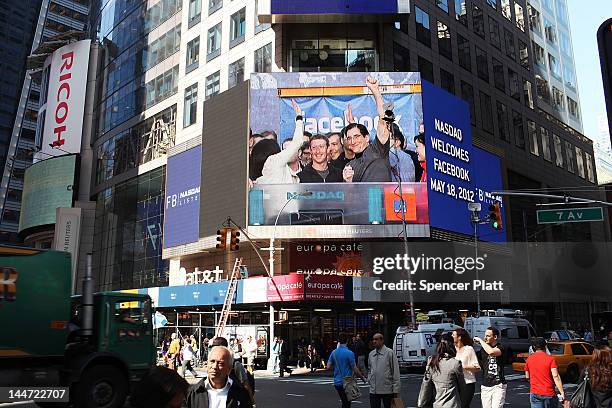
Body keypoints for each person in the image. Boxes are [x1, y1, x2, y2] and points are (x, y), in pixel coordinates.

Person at [342, 76, 392, 183]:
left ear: (367, 137)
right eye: (349, 138)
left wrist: (376, 92)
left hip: (382, 199)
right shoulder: (349, 166)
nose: (353, 141)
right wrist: (348, 182)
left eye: (356, 137)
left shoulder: (378, 150)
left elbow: (384, 120)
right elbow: (350, 197)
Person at [257, 100, 310, 184]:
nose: (287, 152)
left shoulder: (266, 169)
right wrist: (299, 117)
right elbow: (297, 142)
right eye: (285, 150)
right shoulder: (274, 161)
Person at [184, 346, 252, 408]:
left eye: (220, 363)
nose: (214, 367)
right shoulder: (192, 393)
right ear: (207, 364)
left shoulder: (241, 393)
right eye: (212, 361)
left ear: (229, 369)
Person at [327, 332, 368, 408]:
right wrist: (363, 378)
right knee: (347, 403)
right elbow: (355, 369)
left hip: (337, 382)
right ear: (347, 341)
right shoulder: (349, 353)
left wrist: (337, 364)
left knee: (345, 402)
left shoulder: (334, 352)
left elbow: (328, 367)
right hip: (347, 382)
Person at [210, 337, 255, 404]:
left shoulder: (236, 365)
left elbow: (245, 384)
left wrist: (251, 400)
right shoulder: (211, 365)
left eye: (216, 348)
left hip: (235, 399)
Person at [524, 337, 564, 408]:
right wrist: (562, 392)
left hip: (535, 392)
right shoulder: (550, 359)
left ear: (534, 347)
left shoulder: (529, 359)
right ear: (545, 346)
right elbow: (556, 376)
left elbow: (527, 377)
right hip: (549, 393)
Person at [427, 338, 466, 408]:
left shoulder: (433, 363)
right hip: (452, 404)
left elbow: (427, 383)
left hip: (437, 403)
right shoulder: (455, 363)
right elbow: (462, 386)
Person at [474, 327, 507, 408]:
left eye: (488, 336)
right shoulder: (483, 349)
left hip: (498, 385)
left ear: (495, 337)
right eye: (485, 335)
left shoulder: (501, 347)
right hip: (485, 385)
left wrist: (480, 341)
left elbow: (491, 352)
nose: (485, 338)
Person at [367, 333, 400, 408]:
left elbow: (395, 372)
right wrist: (370, 378)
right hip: (374, 390)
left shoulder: (389, 353)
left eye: (376, 339)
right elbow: (369, 369)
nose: (374, 341)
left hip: (387, 389)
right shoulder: (371, 354)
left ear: (382, 340)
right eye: (373, 339)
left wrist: (396, 390)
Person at [452, 328, 480, 408]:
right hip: (454, 383)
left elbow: (477, 367)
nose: (452, 336)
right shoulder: (452, 349)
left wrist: (462, 366)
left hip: (467, 383)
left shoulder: (469, 349)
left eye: (453, 335)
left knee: (464, 406)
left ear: (459, 337)